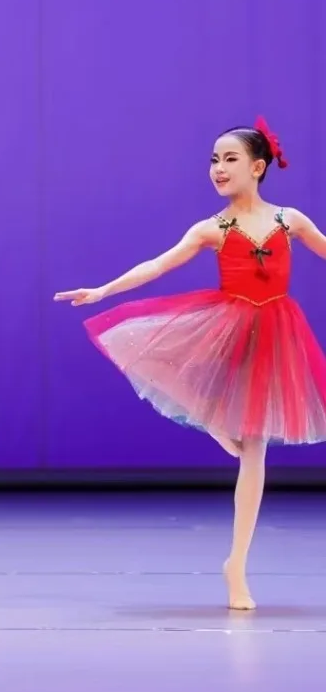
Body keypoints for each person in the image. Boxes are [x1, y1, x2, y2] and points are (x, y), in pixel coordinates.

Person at [54, 117, 326, 610]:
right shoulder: (213, 229)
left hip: (277, 336)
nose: (218, 169)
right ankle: (216, 422)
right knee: (219, 412)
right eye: (213, 160)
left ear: (258, 167)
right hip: (227, 329)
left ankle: (236, 565)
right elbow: (157, 265)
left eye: (230, 159)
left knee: (254, 447)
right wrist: (103, 290)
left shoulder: (292, 221)